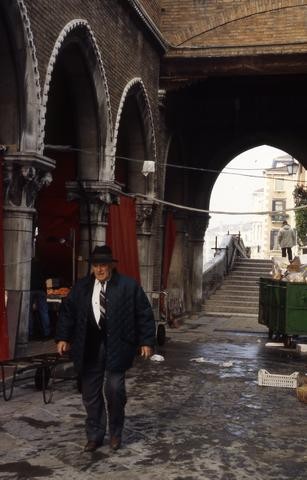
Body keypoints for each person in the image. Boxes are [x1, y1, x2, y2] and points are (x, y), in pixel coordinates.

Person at [55, 245, 156, 453]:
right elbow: (68, 313)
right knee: (90, 394)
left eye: (103, 265)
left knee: (115, 389)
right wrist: (63, 337)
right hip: (88, 346)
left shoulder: (128, 286)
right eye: (96, 266)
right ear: (92, 267)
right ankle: (95, 435)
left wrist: (147, 341)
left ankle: (116, 433)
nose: (99, 270)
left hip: (118, 345)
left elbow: (144, 313)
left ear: (111, 266)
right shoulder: (82, 287)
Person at [29, 256, 51, 339]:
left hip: (30, 289)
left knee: (29, 312)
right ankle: (46, 332)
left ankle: (30, 332)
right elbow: (48, 275)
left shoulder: (28, 266)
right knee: (44, 311)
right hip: (41, 290)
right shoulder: (42, 266)